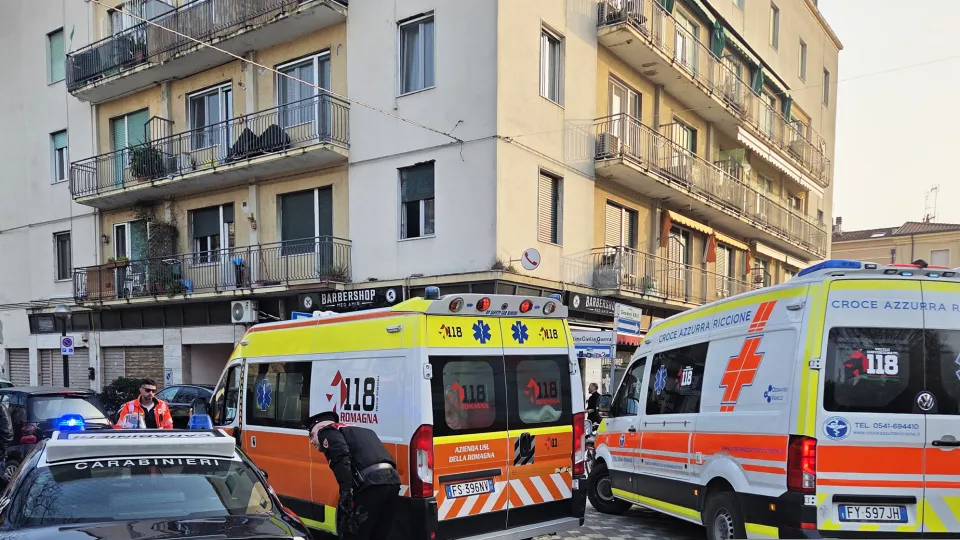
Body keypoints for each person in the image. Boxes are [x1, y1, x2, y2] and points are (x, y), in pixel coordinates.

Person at [307, 411, 400, 540]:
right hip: (392, 482)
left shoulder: (327, 431)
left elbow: (341, 458)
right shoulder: (362, 430)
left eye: (311, 435)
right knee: (379, 534)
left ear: (320, 428)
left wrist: (346, 493)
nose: (311, 441)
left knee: (352, 533)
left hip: (370, 486)